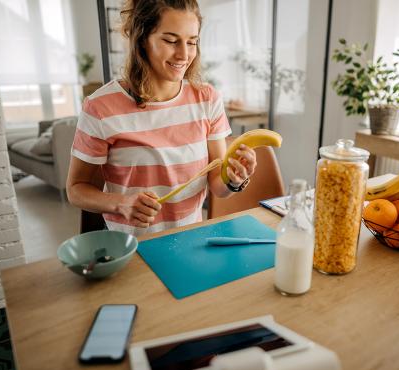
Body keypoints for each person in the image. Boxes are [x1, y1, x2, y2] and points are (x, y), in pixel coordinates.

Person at [66, 0, 257, 237]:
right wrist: (120, 203)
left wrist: (234, 179)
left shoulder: (207, 99)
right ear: (143, 39)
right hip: (129, 247)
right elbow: (76, 190)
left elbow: (217, 183)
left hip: (191, 239)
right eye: (170, 40)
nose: (184, 54)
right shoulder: (100, 107)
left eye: (192, 42)